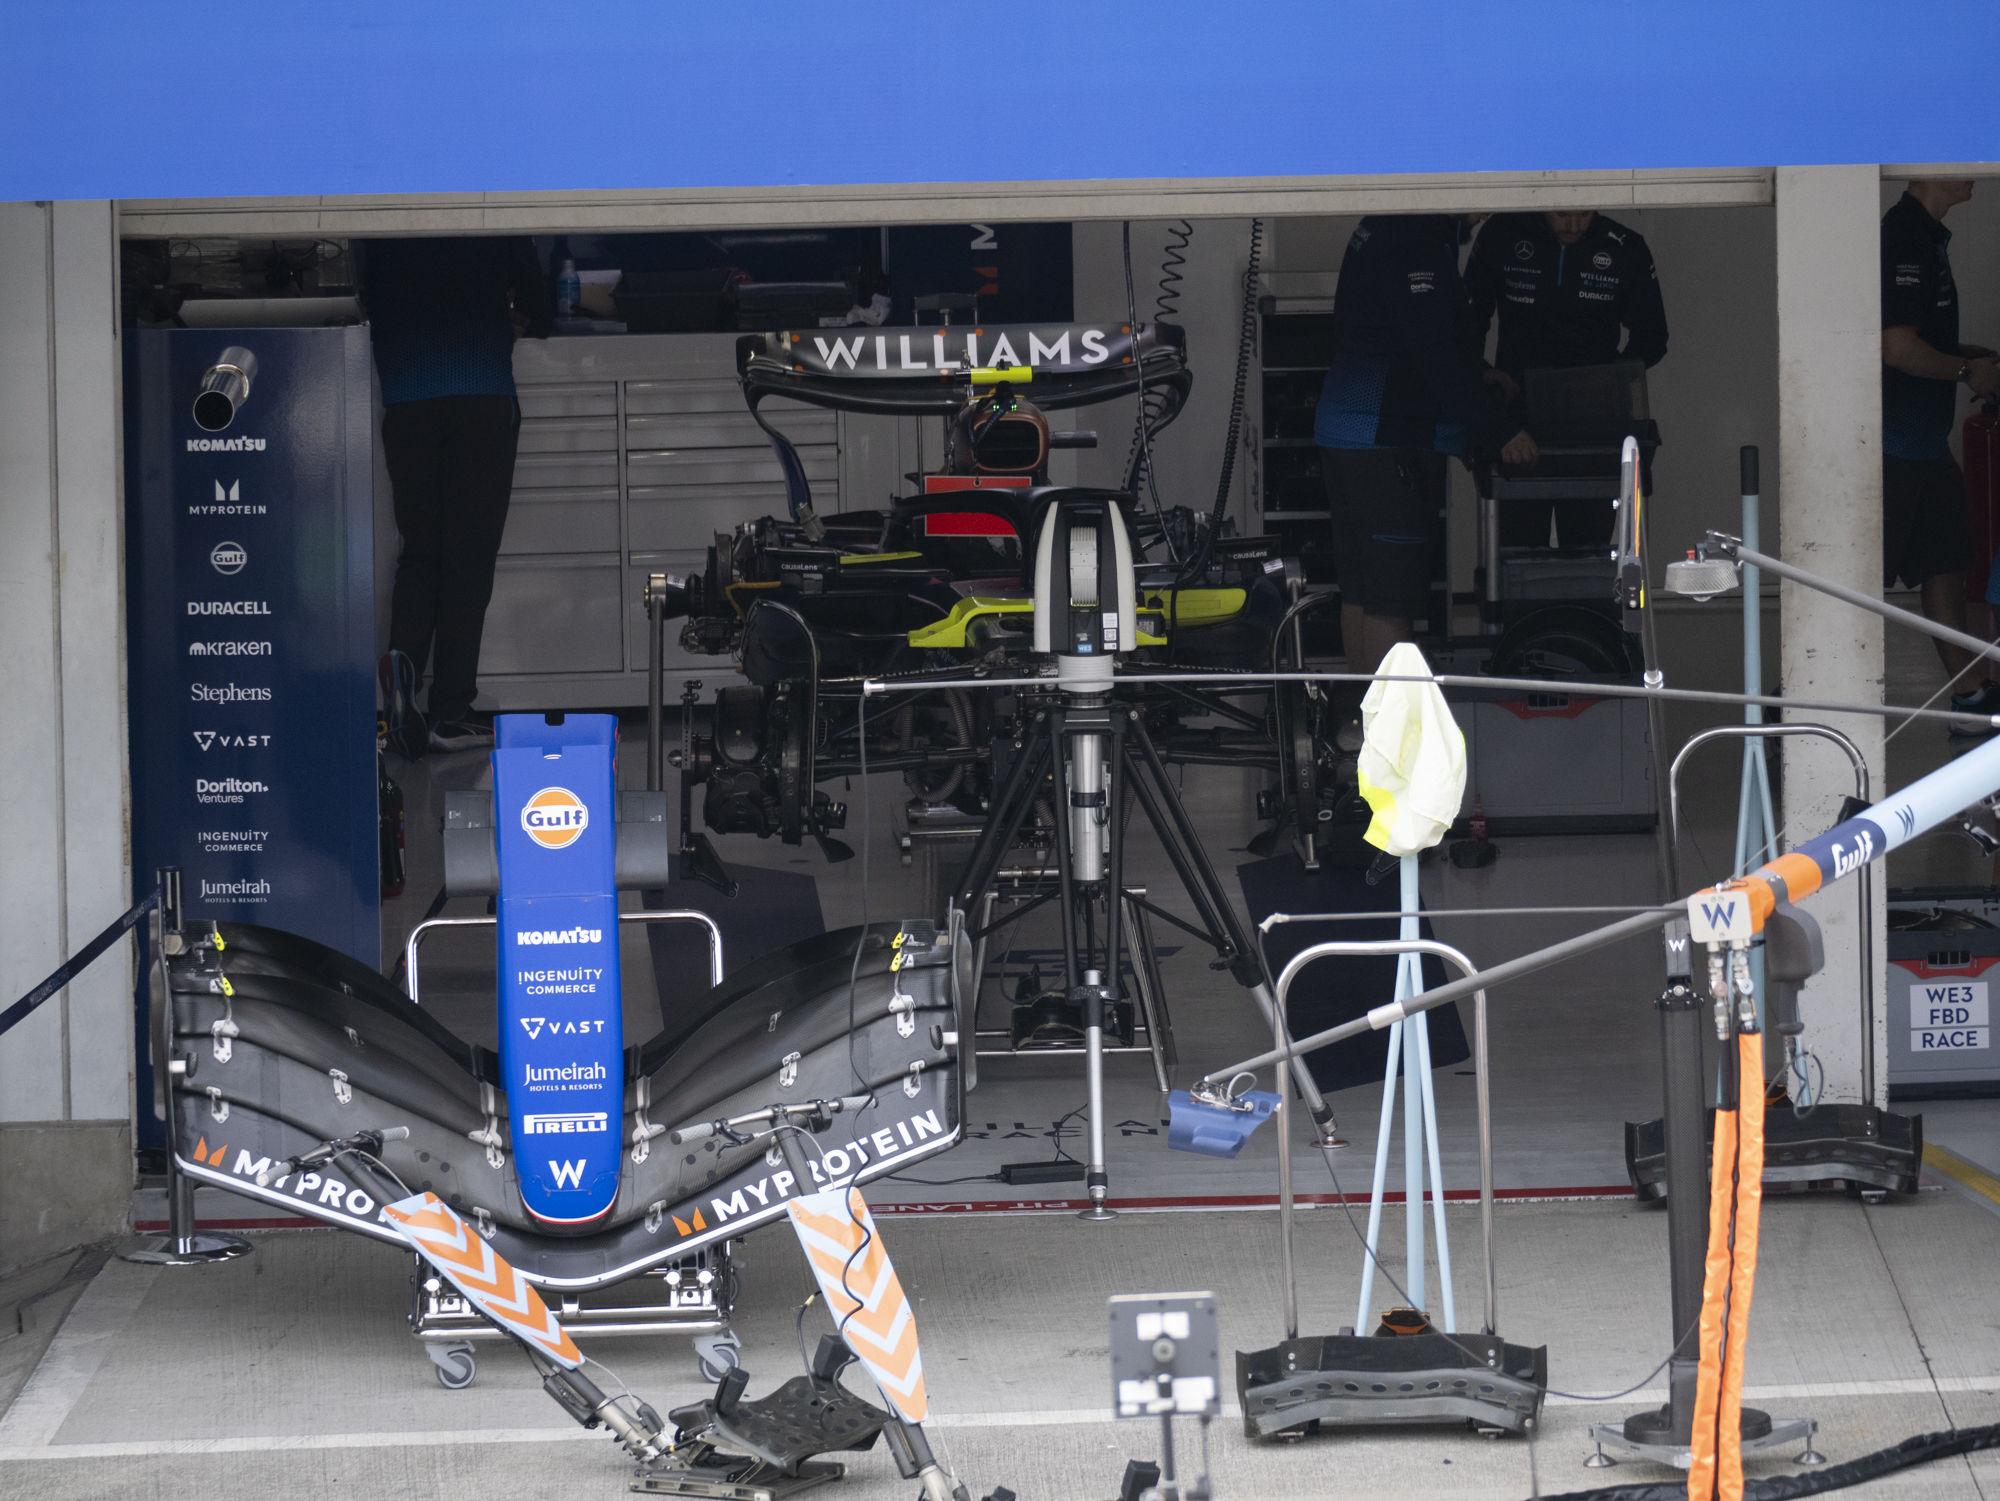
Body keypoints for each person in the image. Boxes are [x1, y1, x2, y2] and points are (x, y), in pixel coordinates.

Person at [1315, 214, 1535, 677]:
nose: (1483, 214)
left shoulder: (1391, 224)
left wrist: (1478, 372)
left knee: (1363, 593)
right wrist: (1498, 431)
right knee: (1391, 604)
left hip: (1348, 434)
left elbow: (1411, 332)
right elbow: (1431, 352)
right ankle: (1390, 723)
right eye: (1477, 203)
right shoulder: (1414, 243)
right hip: (1387, 442)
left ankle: (1366, 714)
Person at [363, 237, 553, 756]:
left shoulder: (374, 213)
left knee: (420, 553)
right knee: (467, 559)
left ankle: (400, 697)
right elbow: (539, 308)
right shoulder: (492, 210)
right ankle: (449, 711)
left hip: (406, 400)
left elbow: (366, 296)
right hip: (480, 392)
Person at [1465, 209, 1669, 548]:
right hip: (1518, 421)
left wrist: (1609, 377)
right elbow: (1467, 322)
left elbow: (1653, 337)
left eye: (1584, 214)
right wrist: (1483, 372)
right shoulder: (1503, 232)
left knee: (1588, 553)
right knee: (1518, 552)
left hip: (1593, 426)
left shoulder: (1625, 246)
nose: (1573, 225)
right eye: (1562, 214)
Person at [1879, 180, 2000, 733]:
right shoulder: (1905, 238)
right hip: (1891, 447)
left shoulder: (1928, 236)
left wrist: (1964, 353)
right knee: (1851, 586)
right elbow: (1897, 348)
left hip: (1927, 444)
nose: (1974, 168)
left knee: (1947, 565)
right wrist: (1966, 370)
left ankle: (1972, 698)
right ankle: (1789, 704)